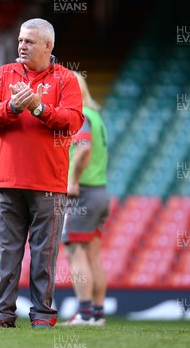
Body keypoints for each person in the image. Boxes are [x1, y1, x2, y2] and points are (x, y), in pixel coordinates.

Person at [0, 18, 84, 329]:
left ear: (48, 46)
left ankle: (42, 315)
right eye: (21, 40)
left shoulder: (65, 79)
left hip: (48, 182)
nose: (21, 46)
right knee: (6, 253)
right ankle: (1, 314)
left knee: (44, 256)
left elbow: (73, 121)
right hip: (8, 180)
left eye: (29, 42)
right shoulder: (3, 74)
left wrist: (39, 108)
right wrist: (12, 106)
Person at [60, 71, 109, 326]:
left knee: (74, 252)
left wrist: (73, 181)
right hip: (100, 192)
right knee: (93, 256)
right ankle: (97, 314)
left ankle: (85, 313)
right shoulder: (96, 117)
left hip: (84, 193)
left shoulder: (80, 118)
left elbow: (83, 148)